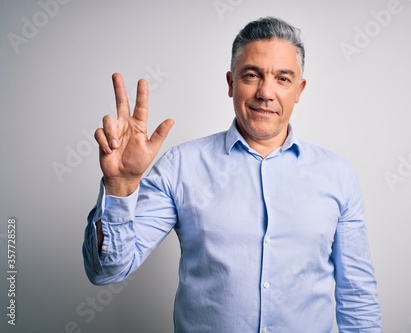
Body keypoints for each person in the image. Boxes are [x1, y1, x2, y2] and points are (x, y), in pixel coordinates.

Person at [83, 17, 382, 332]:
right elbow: (107, 271)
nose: (265, 92)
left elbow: (356, 294)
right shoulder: (181, 166)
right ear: (231, 83)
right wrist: (120, 186)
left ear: (299, 89)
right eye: (252, 75)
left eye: (283, 78)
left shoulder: (336, 175)